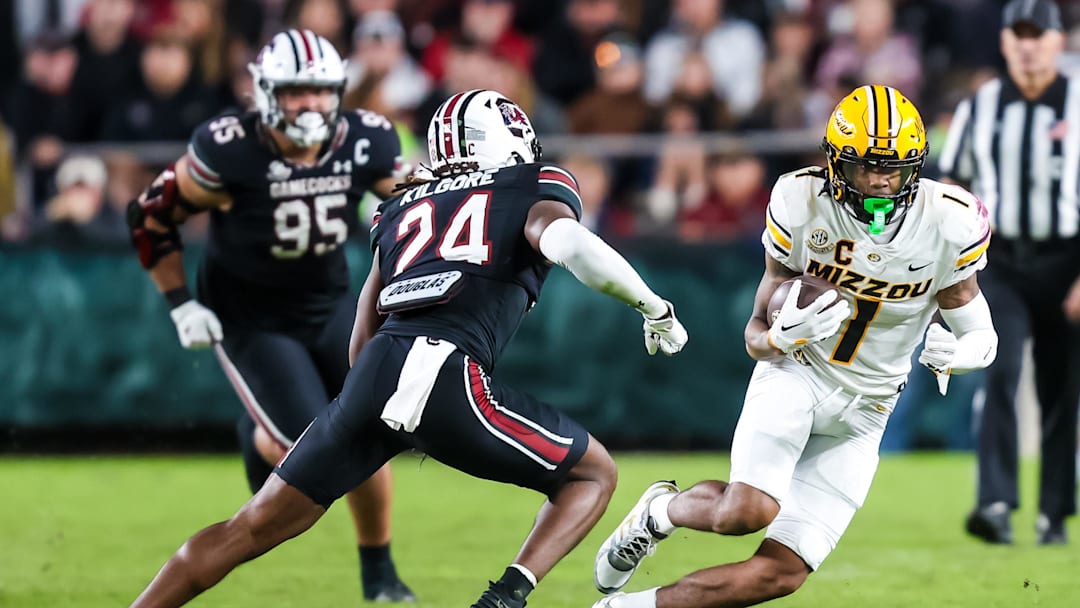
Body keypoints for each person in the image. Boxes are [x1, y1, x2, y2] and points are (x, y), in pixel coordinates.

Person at [128, 88, 689, 608]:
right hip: (444, 369)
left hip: (374, 373)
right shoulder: (534, 184)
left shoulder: (400, 206)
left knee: (247, 527)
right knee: (592, 475)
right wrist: (652, 306)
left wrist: (373, 413)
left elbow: (362, 332)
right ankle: (504, 599)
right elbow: (567, 242)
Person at [591, 85, 999, 608]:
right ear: (834, 162)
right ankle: (660, 513)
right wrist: (779, 337)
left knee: (779, 575)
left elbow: (981, 333)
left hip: (870, 409)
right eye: (864, 166)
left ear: (916, 167)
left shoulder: (948, 222)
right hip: (800, 374)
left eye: (892, 168)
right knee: (745, 513)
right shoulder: (801, 201)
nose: (878, 181)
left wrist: (962, 354)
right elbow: (756, 332)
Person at [126, 29, 415, 601]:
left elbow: (416, 201)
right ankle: (265, 438)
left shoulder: (366, 139)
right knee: (314, 443)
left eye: (320, 91)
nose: (310, 105)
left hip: (331, 303)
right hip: (251, 317)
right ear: (266, 93)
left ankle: (378, 570)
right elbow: (150, 217)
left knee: (371, 429)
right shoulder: (230, 147)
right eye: (295, 92)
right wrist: (180, 303)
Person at [937, 0, 1080, 546]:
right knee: (996, 367)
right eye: (1017, 33)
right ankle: (995, 502)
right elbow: (953, 190)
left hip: (1068, 260)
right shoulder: (982, 106)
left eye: (1036, 33)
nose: (1026, 44)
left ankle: (1054, 515)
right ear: (1003, 42)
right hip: (999, 263)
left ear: (1057, 41)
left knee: (1060, 387)